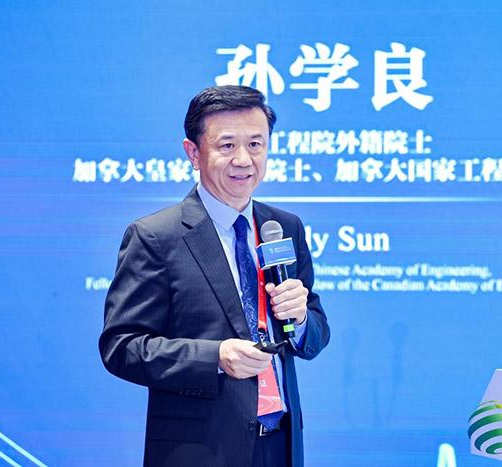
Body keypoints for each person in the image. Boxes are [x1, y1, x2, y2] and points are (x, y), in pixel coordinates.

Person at [99, 85, 330, 467]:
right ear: (194, 152)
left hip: (281, 445)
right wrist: (215, 358)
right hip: (200, 450)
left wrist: (302, 320)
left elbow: (317, 334)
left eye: (255, 144)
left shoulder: (283, 227)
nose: (244, 159)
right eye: (227, 145)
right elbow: (122, 347)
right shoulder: (157, 237)